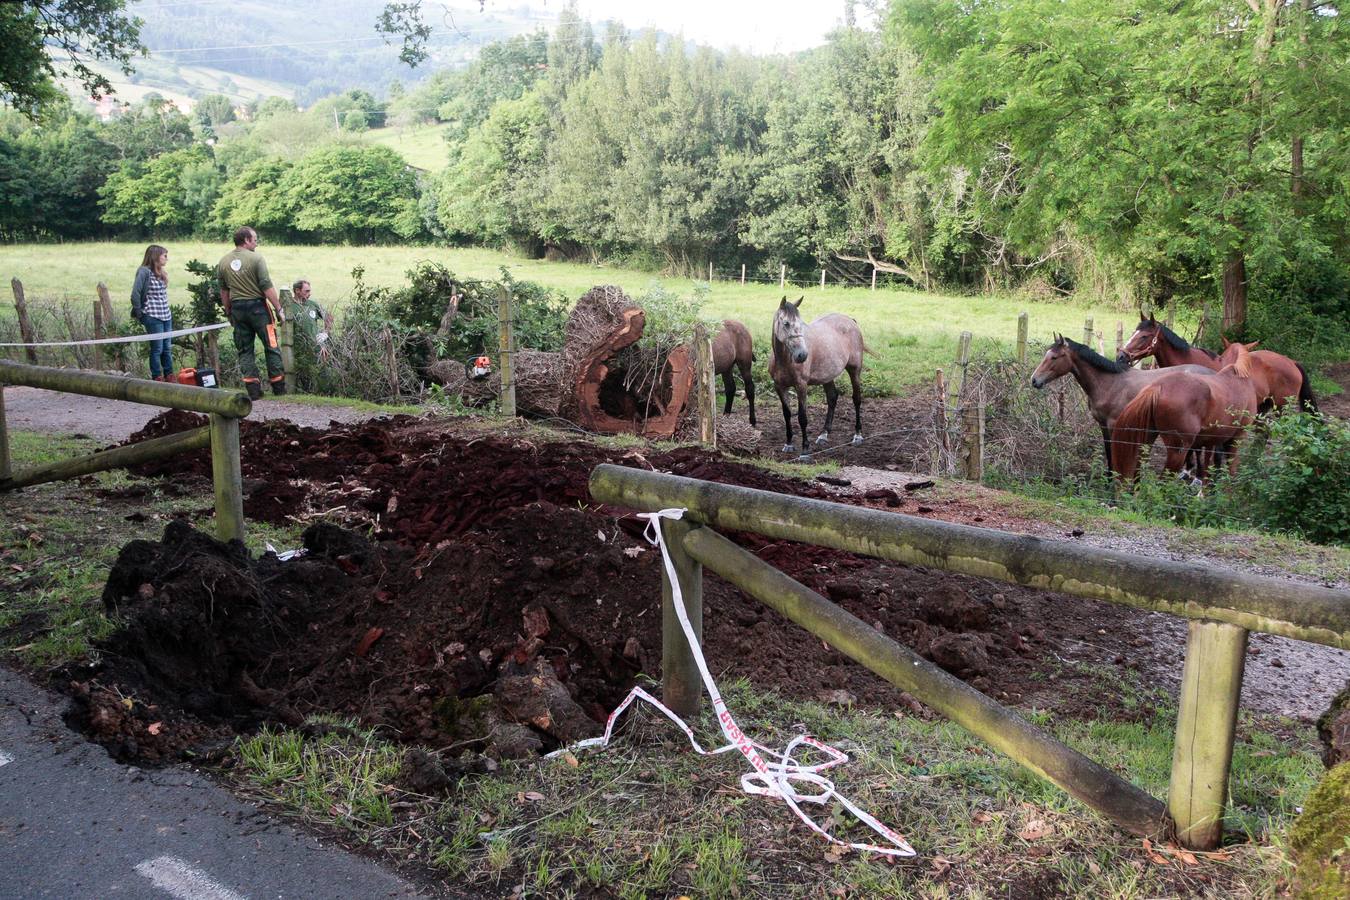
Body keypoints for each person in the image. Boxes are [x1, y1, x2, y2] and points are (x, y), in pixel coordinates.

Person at [217, 226, 286, 400]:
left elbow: (224, 291)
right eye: (254, 239)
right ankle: (278, 388)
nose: (256, 242)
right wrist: (279, 308)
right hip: (259, 309)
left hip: (237, 310)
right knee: (271, 345)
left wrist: (228, 312)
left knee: (245, 349)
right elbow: (266, 286)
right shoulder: (257, 258)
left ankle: (254, 391)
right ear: (246, 240)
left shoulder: (223, 261)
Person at [131, 244, 174, 381]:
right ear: (156, 256)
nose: (167, 259)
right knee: (157, 348)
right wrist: (139, 312)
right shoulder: (144, 271)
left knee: (167, 347)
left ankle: (169, 374)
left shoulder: (161, 272)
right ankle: (157, 376)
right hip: (152, 315)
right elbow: (135, 294)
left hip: (166, 315)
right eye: (164, 256)